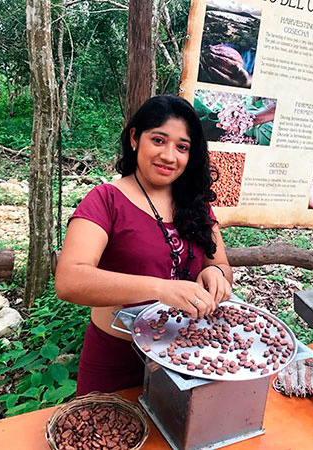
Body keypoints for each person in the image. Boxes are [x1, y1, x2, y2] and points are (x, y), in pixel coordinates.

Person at [55, 95, 233, 396]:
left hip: (187, 357)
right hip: (116, 359)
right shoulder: (105, 200)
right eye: (159, 140)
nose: (169, 156)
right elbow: (69, 280)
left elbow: (220, 265)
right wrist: (160, 289)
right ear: (136, 138)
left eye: (182, 147)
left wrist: (216, 275)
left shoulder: (195, 203)